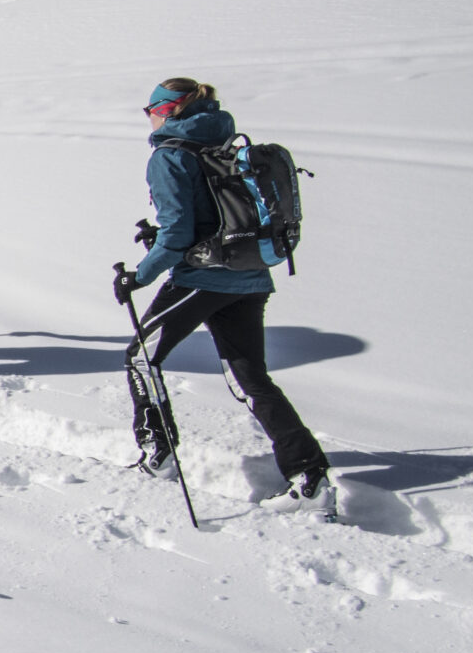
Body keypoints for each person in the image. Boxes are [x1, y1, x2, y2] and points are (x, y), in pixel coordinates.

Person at [116, 77, 332, 513]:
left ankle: (158, 455)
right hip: (250, 276)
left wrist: (140, 276)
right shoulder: (222, 142)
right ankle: (310, 477)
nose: (150, 116)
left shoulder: (170, 154)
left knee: (141, 359)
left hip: (201, 278)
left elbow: (178, 233)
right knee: (250, 379)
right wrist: (161, 236)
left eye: (151, 109)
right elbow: (209, 216)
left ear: (171, 109)